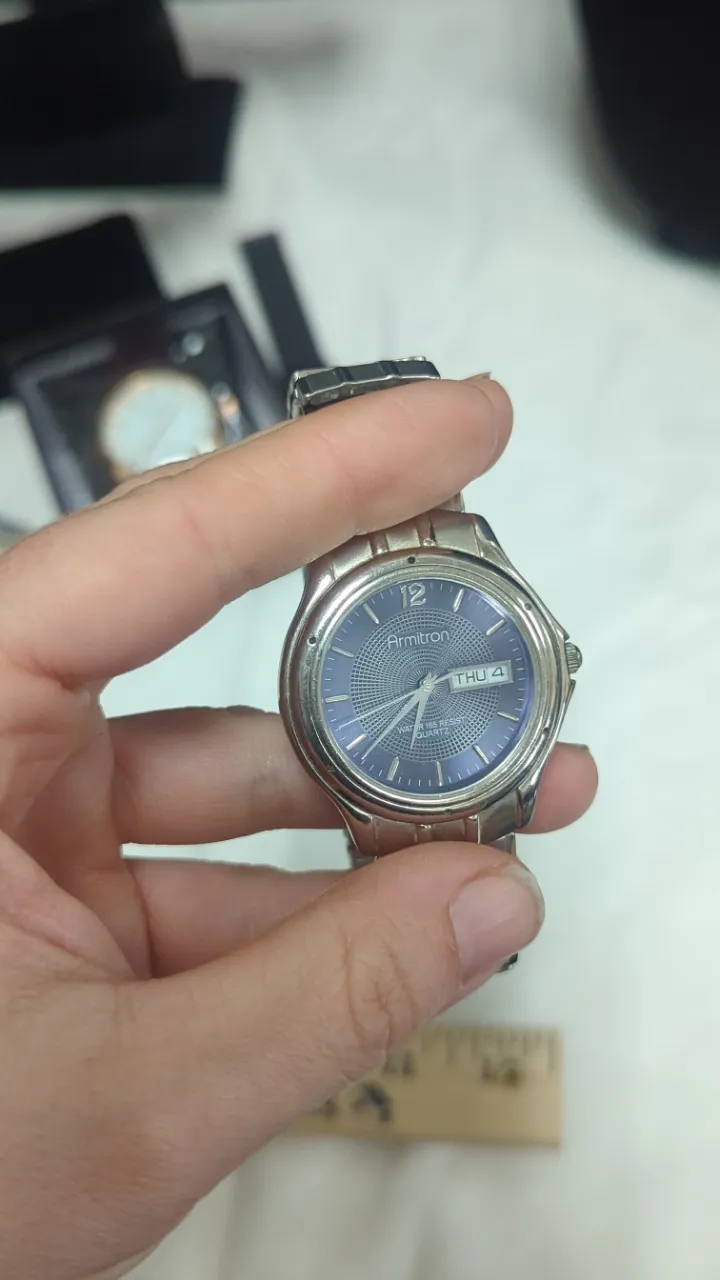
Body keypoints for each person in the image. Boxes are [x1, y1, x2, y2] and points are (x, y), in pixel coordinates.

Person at [0, 375, 597, 1280]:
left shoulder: (463, 583)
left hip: (473, 758)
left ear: (553, 657)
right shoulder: (354, 602)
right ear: (299, 694)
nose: (429, 683)